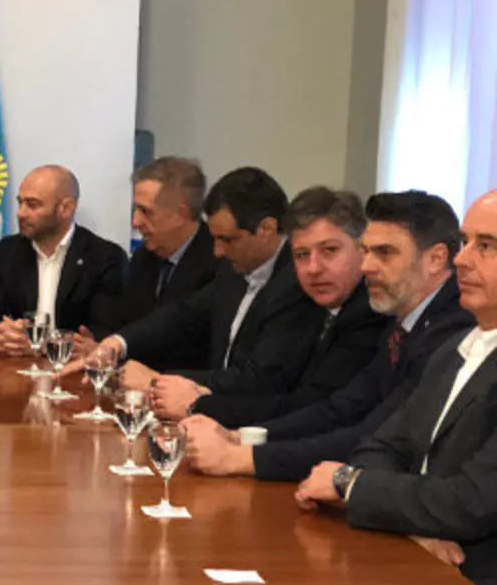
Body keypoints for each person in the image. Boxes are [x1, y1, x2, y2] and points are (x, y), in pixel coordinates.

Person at [182, 191, 471, 482]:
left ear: (436, 259)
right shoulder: (401, 323)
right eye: (367, 251)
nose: (367, 265)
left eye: (384, 252)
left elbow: (374, 435)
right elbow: (342, 408)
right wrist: (241, 438)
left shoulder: (452, 330)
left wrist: (242, 457)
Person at [295, 190, 497, 585]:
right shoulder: (455, 350)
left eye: (487, 246)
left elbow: (472, 501)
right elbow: (379, 445)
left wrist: (347, 483)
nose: (462, 259)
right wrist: (410, 526)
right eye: (466, 241)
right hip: (419, 569)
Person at [79, 167, 326, 395]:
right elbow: (184, 314)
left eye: (228, 240)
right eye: (215, 239)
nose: (217, 251)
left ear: (266, 229)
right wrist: (116, 344)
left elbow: (259, 379)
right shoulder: (233, 271)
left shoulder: (296, 283)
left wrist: (158, 380)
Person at [150, 187, 387, 423]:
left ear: (362, 249)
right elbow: (278, 390)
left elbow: (311, 408)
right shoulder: (314, 303)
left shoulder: (368, 314)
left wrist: (199, 405)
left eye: (329, 250)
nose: (313, 268)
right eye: (302, 255)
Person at [0, 165, 125, 352]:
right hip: (17, 372)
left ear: (66, 208)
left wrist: (41, 346)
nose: (21, 213)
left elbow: (105, 333)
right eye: (20, 203)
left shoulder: (105, 257)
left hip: (73, 374)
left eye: (32, 205)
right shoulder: (9, 250)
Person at [108, 157, 223, 369]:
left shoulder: (218, 261)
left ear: (181, 214)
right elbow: (128, 325)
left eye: (146, 211)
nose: (135, 221)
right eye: (135, 209)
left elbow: (188, 335)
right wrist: (104, 346)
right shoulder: (144, 258)